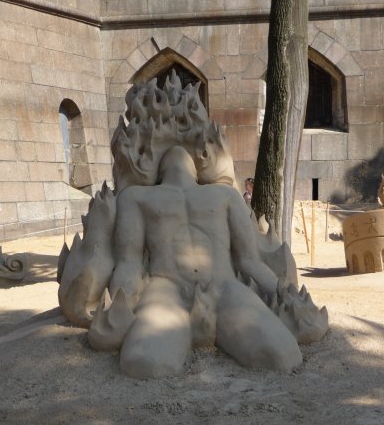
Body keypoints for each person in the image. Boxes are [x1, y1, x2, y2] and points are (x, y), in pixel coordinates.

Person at [109, 146, 301, 378]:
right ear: (196, 170)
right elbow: (250, 262)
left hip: (172, 289)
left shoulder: (135, 197)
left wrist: (118, 306)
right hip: (204, 288)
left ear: (160, 171)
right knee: (282, 354)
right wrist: (282, 292)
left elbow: (128, 264)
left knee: (145, 362)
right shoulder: (226, 195)